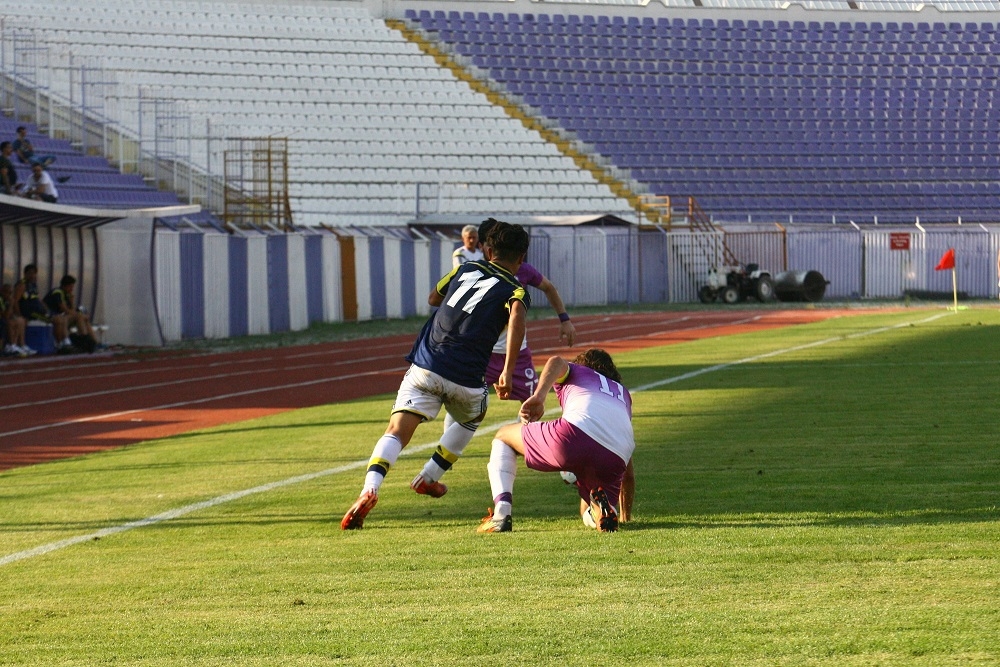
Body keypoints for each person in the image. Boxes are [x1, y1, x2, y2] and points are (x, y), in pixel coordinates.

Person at [341, 221, 531, 530]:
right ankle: (429, 477)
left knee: (396, 431)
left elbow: (433, 298)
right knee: (472, 417)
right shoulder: (516, 289)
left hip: (427, 365)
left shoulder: (464, 269)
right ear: (521, 258)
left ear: (487, 250)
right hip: (466, 377)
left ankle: (369, 489)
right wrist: (507, 371)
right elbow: (518, 316)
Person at [411, 217, 577, 493]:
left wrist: (564, 319)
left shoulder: (522, 271)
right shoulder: (474, 270)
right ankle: (444, 454)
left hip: (516, 354)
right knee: (461, 402)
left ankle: (543, 453)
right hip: (482, 353)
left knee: (533, 402)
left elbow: (548, 287)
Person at [478, 349, 635, 533]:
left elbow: (556, 361)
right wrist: (626, 517)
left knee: (503, 436)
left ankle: (501, 514)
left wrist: (539, 396)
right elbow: (628, 475)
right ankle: (603, 513)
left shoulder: (578, 371)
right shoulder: (623, 394)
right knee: (593, 508)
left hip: (574, 436)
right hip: (616, 456)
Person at [44, 275, 95, 351]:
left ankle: (93, 341)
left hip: (62, 316)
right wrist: (79, 314)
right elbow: (65, 309)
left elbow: (72, 310)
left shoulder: (67, 294)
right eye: (70, 287)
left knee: (83, 319)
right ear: (65, 286)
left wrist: (72, 302)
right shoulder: (58, 292)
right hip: (52, 316)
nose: (72, 289)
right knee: (77, 317)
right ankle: (81, 340)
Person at [1, 283, 36, 357]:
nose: (9, 295)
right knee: (11, 322)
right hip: (3, 320)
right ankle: (11, 345)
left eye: (10, 293)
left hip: (5, 319)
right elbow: (6, 316)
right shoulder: (1, 300)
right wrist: (11, 304)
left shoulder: (7, 300)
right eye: (7, 292)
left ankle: (19, 345)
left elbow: (12, 314)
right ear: (2, 292)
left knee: (20, 320)